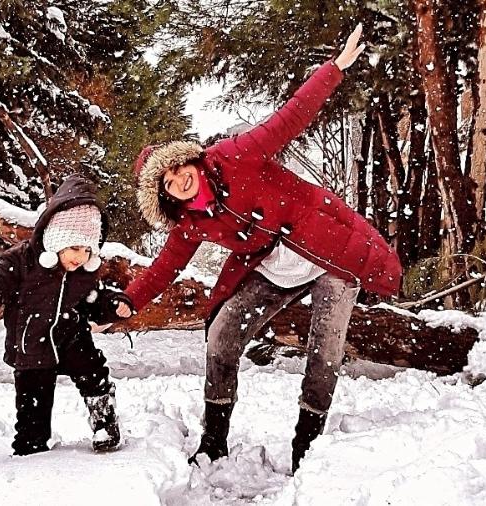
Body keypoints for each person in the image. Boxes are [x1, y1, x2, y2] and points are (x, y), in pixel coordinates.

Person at [116, 24, 402, 473]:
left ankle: (307, 447)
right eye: (168, 185)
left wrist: (335, 69)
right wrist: (129, 302)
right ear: (169, 197)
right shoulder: (190, 223)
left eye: (176, 169)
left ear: (189, 159)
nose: (178, 180)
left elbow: (288, 119)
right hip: (272, 267)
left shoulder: (234, 156)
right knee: (222, 335)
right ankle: (214, 440)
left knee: (324, 351)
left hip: (328, 255)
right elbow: (164, 267)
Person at [0, 176, 133, 456]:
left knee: (94, 374)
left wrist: (113, 304)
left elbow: (94, 299)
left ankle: (104, 423)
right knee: (33, 404)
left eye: (88, 249)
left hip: (71, 336)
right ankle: (31, 447)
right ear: (57, 238)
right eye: (75, 247)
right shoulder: (21, 260)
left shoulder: (84, 271)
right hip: (31, 344)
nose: (81, 256)